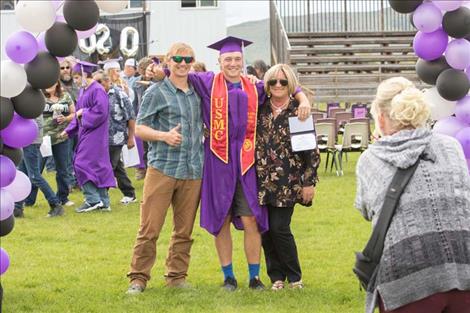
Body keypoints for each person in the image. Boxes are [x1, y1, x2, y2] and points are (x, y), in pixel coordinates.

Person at [162, 36, 311, 290]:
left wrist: (303, 97)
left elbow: (284, 85)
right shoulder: (206, 81)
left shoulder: (255, 87)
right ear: (219, 61)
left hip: (247, 161)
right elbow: (179, 70)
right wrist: (168, 62)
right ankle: (228, 276)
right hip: (218, 160)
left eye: (237, 59)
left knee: (251, 218)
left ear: (243, 62)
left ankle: (254, 276)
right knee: (222, 219)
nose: (232, 63)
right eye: (227, 59)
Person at [355, 77, 470, 313]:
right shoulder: (451, 146)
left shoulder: (372, 158)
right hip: (463, 267)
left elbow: (366, 209)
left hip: (408, 277)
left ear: (381, 116)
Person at [126, 43, 203, 294]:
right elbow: (140, 128)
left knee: (184, 231)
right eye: (177, 59)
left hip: (193, 171)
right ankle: (138, 278)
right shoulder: (156, 92)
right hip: (162, 169)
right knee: (149, 228)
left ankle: (177, 277)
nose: (183, 63)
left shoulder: (199, 92)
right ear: (167, 61)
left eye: (187, 59)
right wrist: (163, 136)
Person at [256, 64, 320, 290]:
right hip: (261, 181)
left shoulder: (298, 112)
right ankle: (276, 277)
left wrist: (309, 182)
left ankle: (295, 277)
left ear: (291, 84)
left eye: (283, 82)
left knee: (280, 228)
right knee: (265, 229)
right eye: (273, 81)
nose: (278, 86)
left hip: (288, 182)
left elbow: (311, 153)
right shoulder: (259, 109)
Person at [61, 61, 115, 213]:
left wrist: (84, 113)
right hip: (86, 132)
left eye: (77, 77)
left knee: (81, 163)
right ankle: (104, 202)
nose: (76, 81)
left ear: (85, 75)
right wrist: (69, 129)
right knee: (97, 166)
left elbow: (101, 112)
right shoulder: (83, 91)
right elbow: (78, 112)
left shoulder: (97, 90)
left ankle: (92, 199)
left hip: (96, 134)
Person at [28, 81, 76, 208]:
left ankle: (63, 197)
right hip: (43, 139)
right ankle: (29, 199)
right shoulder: (39, 97)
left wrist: (65, 119)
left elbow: (74, 113)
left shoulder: (65, 96)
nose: (49, 84)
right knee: (37, 170)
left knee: (63, 169)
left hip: (61, 138)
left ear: (57, 83)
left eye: (52, 82)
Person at [94, 70, 137, 204]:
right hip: (100, 138)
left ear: (108, 81)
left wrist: (131, 138)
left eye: (99, 82)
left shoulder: (120, 95)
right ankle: (129, 193)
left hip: (116, 137)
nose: (96, 85)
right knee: (117, 166)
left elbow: (131, 117)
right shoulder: (96, 95)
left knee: (108, 166)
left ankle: (101, 197)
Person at [14, 115, 65, 218]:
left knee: (34, 176)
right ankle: (17, 208)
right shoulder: (25, 101)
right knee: (23, 175)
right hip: (24, 140)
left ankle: (55, 205)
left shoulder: (31, 102)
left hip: (31, 141)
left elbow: (36, 123)